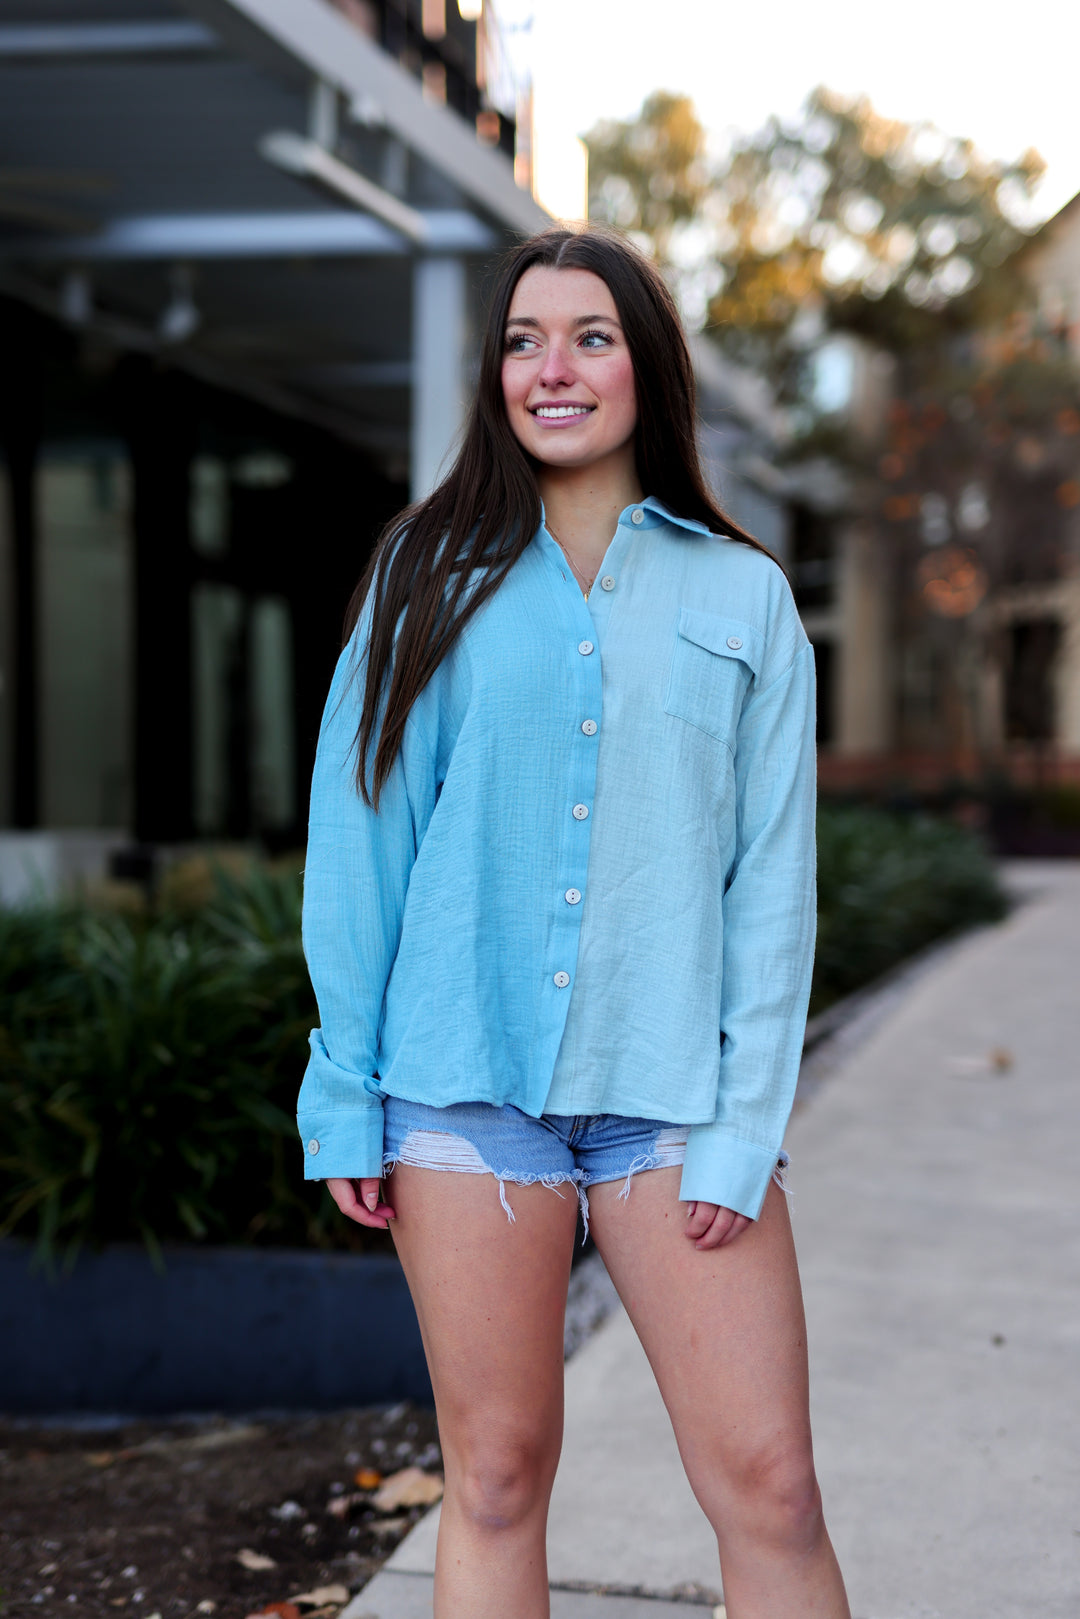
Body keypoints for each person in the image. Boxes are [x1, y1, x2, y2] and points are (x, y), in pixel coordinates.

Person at [297, 224, 850, 1619]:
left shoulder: (745, 599)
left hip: (673, 1095)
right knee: (491, 1478)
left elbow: (773, 886)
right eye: (524, 340)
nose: (554, 369)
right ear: (493, 375)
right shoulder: (425, 579)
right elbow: (362, 855)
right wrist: (344, 1096)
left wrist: (745, 1123)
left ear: (645, 369)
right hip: (461, 1090)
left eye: (591, 336)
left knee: (772, 1485)